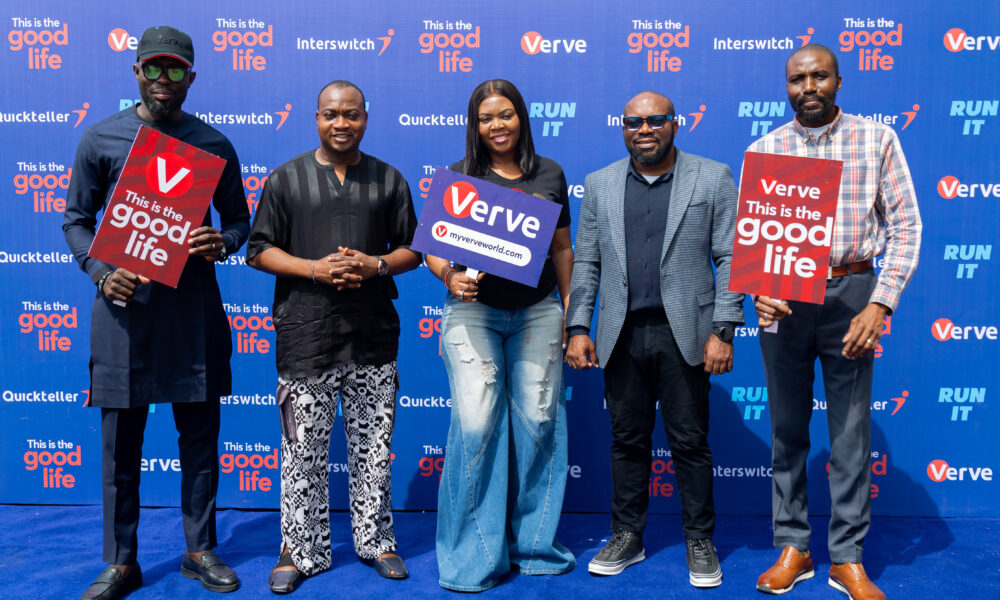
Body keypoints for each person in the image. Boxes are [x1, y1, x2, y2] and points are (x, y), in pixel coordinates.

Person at [63, 25, 248, 600]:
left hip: (192, 315)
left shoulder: (213, 144)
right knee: (120, 447)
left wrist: (224, 241)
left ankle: (200, 549)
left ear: (191, 77)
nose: (163, 79)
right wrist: (100, 271)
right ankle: (122, 562)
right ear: (136, 72)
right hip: (124, 315)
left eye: (175, 70)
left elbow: (240, 221)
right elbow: (76, 221)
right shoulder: (101, 138)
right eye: (153, 67)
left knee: (200, 440)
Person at [749, 45, 920, 600]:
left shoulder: (877, 139)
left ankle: (847, 557)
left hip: (853, 294)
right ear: (787, 86)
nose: (808, 87)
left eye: (819, 76)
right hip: (785, 300)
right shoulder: (765, 149)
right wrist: (760, 289)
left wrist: (880, 303)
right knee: (786, 428)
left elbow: (906, 227)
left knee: (849, 434)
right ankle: (793, 548)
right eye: (797, 79)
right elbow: (754, 241)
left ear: (839, 81)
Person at [246, 80, 420, 594]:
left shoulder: (389, 179)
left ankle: (376, 540)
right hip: (307, 333)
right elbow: (258, 250)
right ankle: (300, 548)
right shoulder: (286, 179)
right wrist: (314, 269)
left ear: (365, 117)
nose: (341, 123)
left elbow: (414, 248)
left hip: (372, 334)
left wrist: (376, 264)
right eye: (331, 114)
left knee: (374, 446)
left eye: (351, 114)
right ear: (316, 118)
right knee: (302, 449)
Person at [565, 91, 743, 588]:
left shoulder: (712, 177)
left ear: (675, 125)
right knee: (626, 441)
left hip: (687, 333)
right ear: (623, 128)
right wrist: (578, 327)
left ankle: (700, 540)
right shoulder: (599, 183)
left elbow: (730, 256)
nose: (644, 130)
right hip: (620, 333)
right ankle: (628, 535)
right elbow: (588, 261)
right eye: (633, 122)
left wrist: (723, 329)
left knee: (690, 442)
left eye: (655, 120)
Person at [426, 78, 576, 592]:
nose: (497, 125)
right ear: (475, 125)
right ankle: (474, 557)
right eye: (486, 117)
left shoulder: (549, 173)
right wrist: (450, 276)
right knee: (476, 427)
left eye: (506, 114)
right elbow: (434, 249)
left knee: (539, 423)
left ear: (521, 118)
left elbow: (562, 249)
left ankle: (534, 547)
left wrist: (571, 311)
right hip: (474, 315)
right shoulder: (458, 177)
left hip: (539, 312)